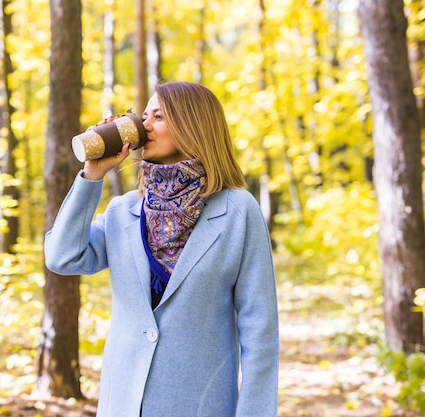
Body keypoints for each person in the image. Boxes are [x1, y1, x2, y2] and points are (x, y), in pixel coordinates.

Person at [44, 81, 279, 417]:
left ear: (192, 126)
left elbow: (261, 332)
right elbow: (61, 256)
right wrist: (91, 176)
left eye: (158, 116)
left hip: (200, 405)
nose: (145, 125)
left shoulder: (238, 211)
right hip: (123, 404)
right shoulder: (123, 212)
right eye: (143, 116)